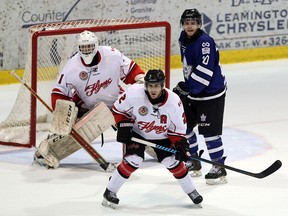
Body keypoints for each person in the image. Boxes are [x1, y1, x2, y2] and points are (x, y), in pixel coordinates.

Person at [33, 30, 145, 169]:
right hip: (88, 106)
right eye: (83, 47)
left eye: (90, 46)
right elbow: (59, 91)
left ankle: (161, 149)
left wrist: (140, 78)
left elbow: (131, 71)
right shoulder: (72, 66)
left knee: (140, 124)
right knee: (81, 133)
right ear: (78, 48)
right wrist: (62, 113)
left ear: (96, 45)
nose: (86, 50)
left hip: (116, 101)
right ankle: (47, 151)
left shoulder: (111, 54)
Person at [102, 69, 203, 209]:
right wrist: (124, 126)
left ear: (162, 85)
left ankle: (191, 190)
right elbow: (118, 110)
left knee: (172, 161)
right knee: (134, 160)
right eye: (150, 85)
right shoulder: (134, 93)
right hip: (137, 134)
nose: (153, 89)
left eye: (156, 86)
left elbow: (178, 130)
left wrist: (181, 146)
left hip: (163, 136)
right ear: (146, 85)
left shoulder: (174, 102)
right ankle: (110, 190)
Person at [173, 8, 228, 185]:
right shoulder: (183, 37)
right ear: (183, 24)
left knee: (209, 133)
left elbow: (204, 73)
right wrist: (187, 88)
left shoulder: (205, 43)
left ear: (199, 24)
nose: (190, 26)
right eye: (187, 22)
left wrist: (186, 88)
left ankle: (218, 166)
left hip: (211, 94)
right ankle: (194, 160)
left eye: (193, 22)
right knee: (185, 127)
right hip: (194, 93)